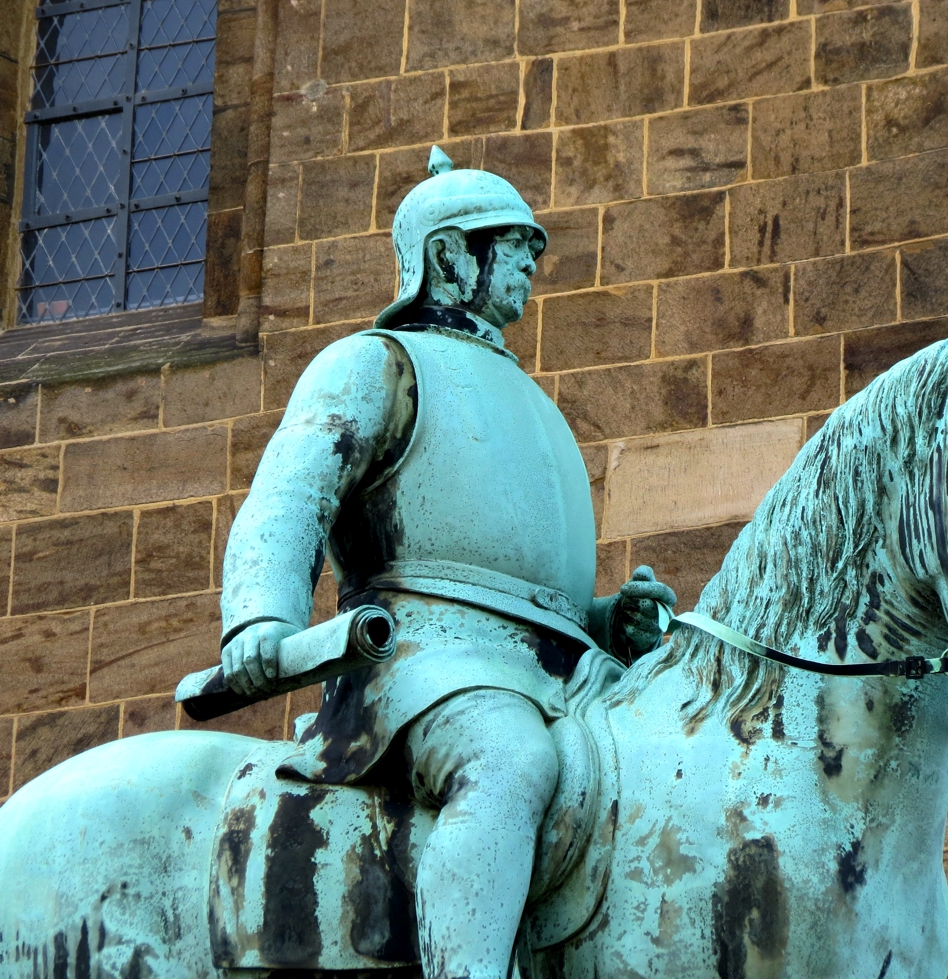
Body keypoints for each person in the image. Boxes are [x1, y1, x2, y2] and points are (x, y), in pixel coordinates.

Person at [218, 146, 675, 979]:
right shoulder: (376, 364)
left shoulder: (531, 400)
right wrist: (260, 617)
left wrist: (609, 621)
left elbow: (521, 577)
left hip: (565, 674)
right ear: (451, 256)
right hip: (420, 663)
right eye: (517, 247)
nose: (532, 268)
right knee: (507, 761)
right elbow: (290, 497)